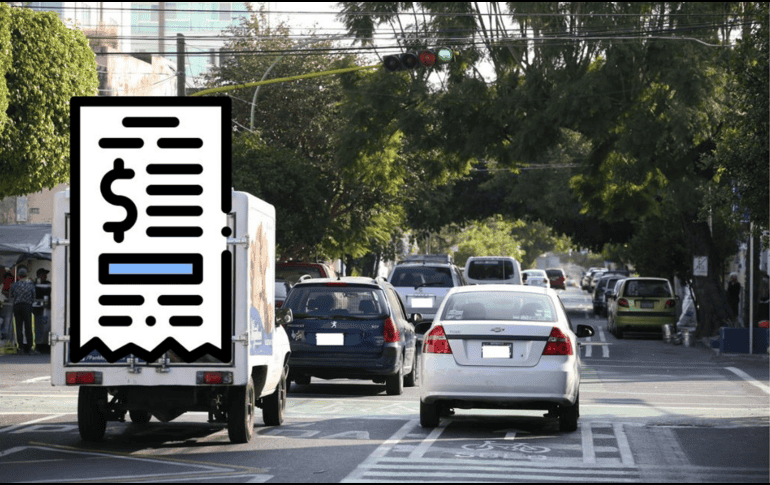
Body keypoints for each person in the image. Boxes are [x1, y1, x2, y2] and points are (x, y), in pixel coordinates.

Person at [10, 267, 36, 354]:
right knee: (28, 327)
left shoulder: (14, 285)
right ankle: (29, 347)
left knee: (18, 327)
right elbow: (34, 296)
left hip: (17, 306)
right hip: (27, 306)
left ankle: (20, 347)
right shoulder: (30, 285)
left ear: (18, 276)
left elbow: (11, 296)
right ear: (26, 275)